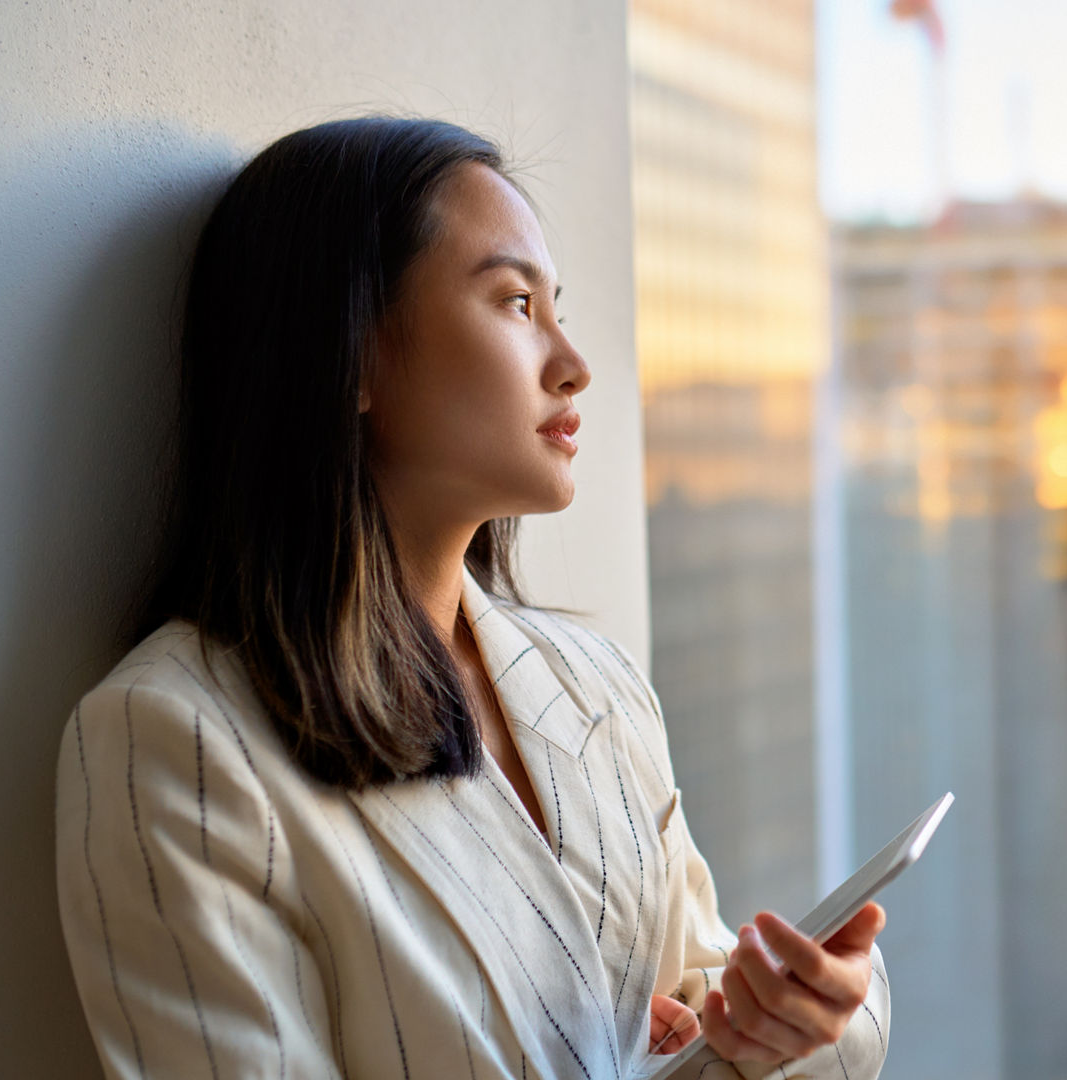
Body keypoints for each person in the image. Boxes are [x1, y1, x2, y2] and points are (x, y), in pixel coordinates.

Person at [54, 116, 890, 1079]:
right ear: (354, 354)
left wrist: (805, 1021)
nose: (572, 361)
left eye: (557, 307)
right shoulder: (174, 741)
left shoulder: (597, 688)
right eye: (515, 302)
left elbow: (699, 998)